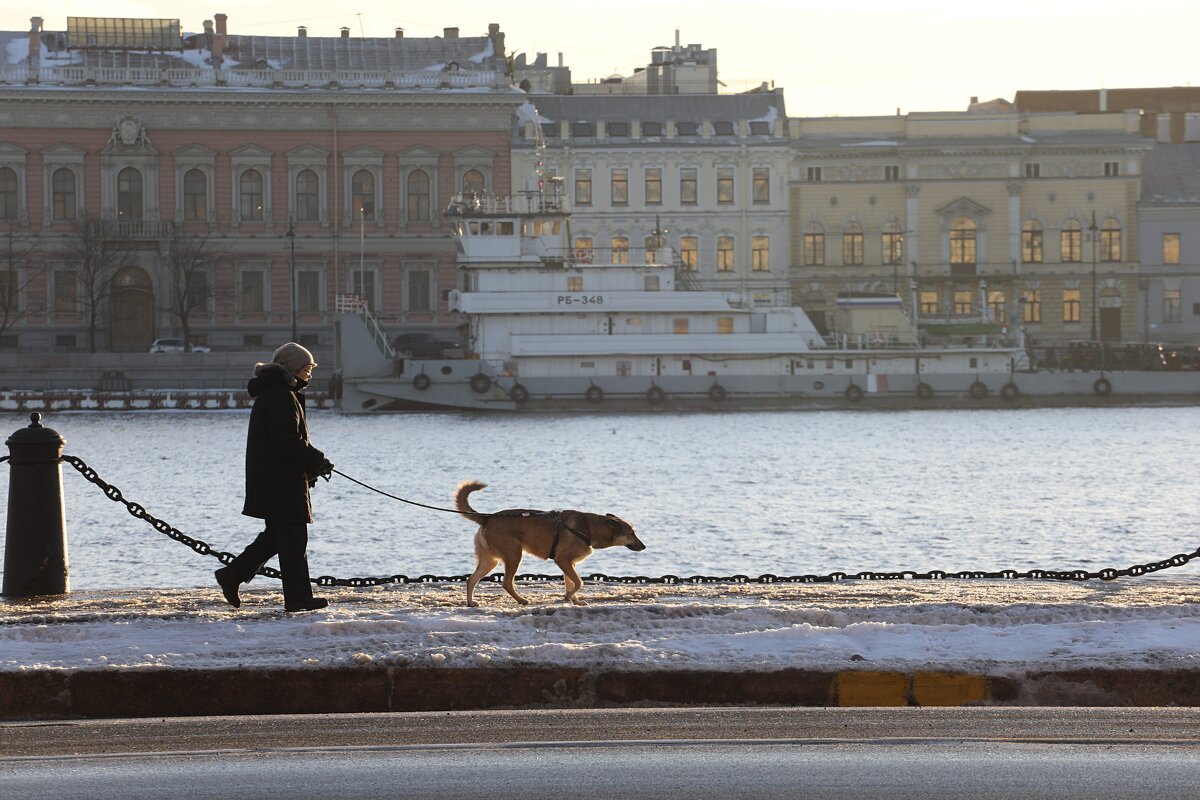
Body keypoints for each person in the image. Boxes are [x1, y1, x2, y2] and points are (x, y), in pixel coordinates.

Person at [215, 342, 333, 612]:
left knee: (277, 538)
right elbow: (286, 441)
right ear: (292, 369)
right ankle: (297, 598)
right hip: (281, 482)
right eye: (307, 368)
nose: (310, 374)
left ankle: (232, 574)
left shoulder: (277, 393)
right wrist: (317, 459)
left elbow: (285, 442)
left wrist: (311, 466)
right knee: (293, 541)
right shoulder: (281, 395)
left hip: (275, 479)